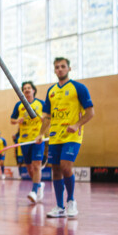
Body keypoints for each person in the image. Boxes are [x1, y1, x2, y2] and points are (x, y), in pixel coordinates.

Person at [37, 57, 95, 218]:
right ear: (54, 70)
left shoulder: (79, 88)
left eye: (63, 66)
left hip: (72, 135)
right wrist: (41, 134)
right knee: (55, 170)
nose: (60, 69)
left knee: (65, 167)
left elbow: (90, 112)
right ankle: (59, 206)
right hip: (55, 136)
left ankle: (71, 200)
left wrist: (77, 125)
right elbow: (47, 117)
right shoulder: (51, 91)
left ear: (69, 69)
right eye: (57, 67)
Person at [11, 81, 45, 203]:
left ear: (33, 90)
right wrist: (17, 121)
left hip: (38, 139)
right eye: (24, 88)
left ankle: (34, 191)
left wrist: (43, 119)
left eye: (29, 88)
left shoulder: (41, 103)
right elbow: (11, 120)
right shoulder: (19, 105)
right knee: (30, 168)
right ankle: (39, 185)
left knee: (36, 166)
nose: (26, 90)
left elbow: (49, 119)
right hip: (24, 141)